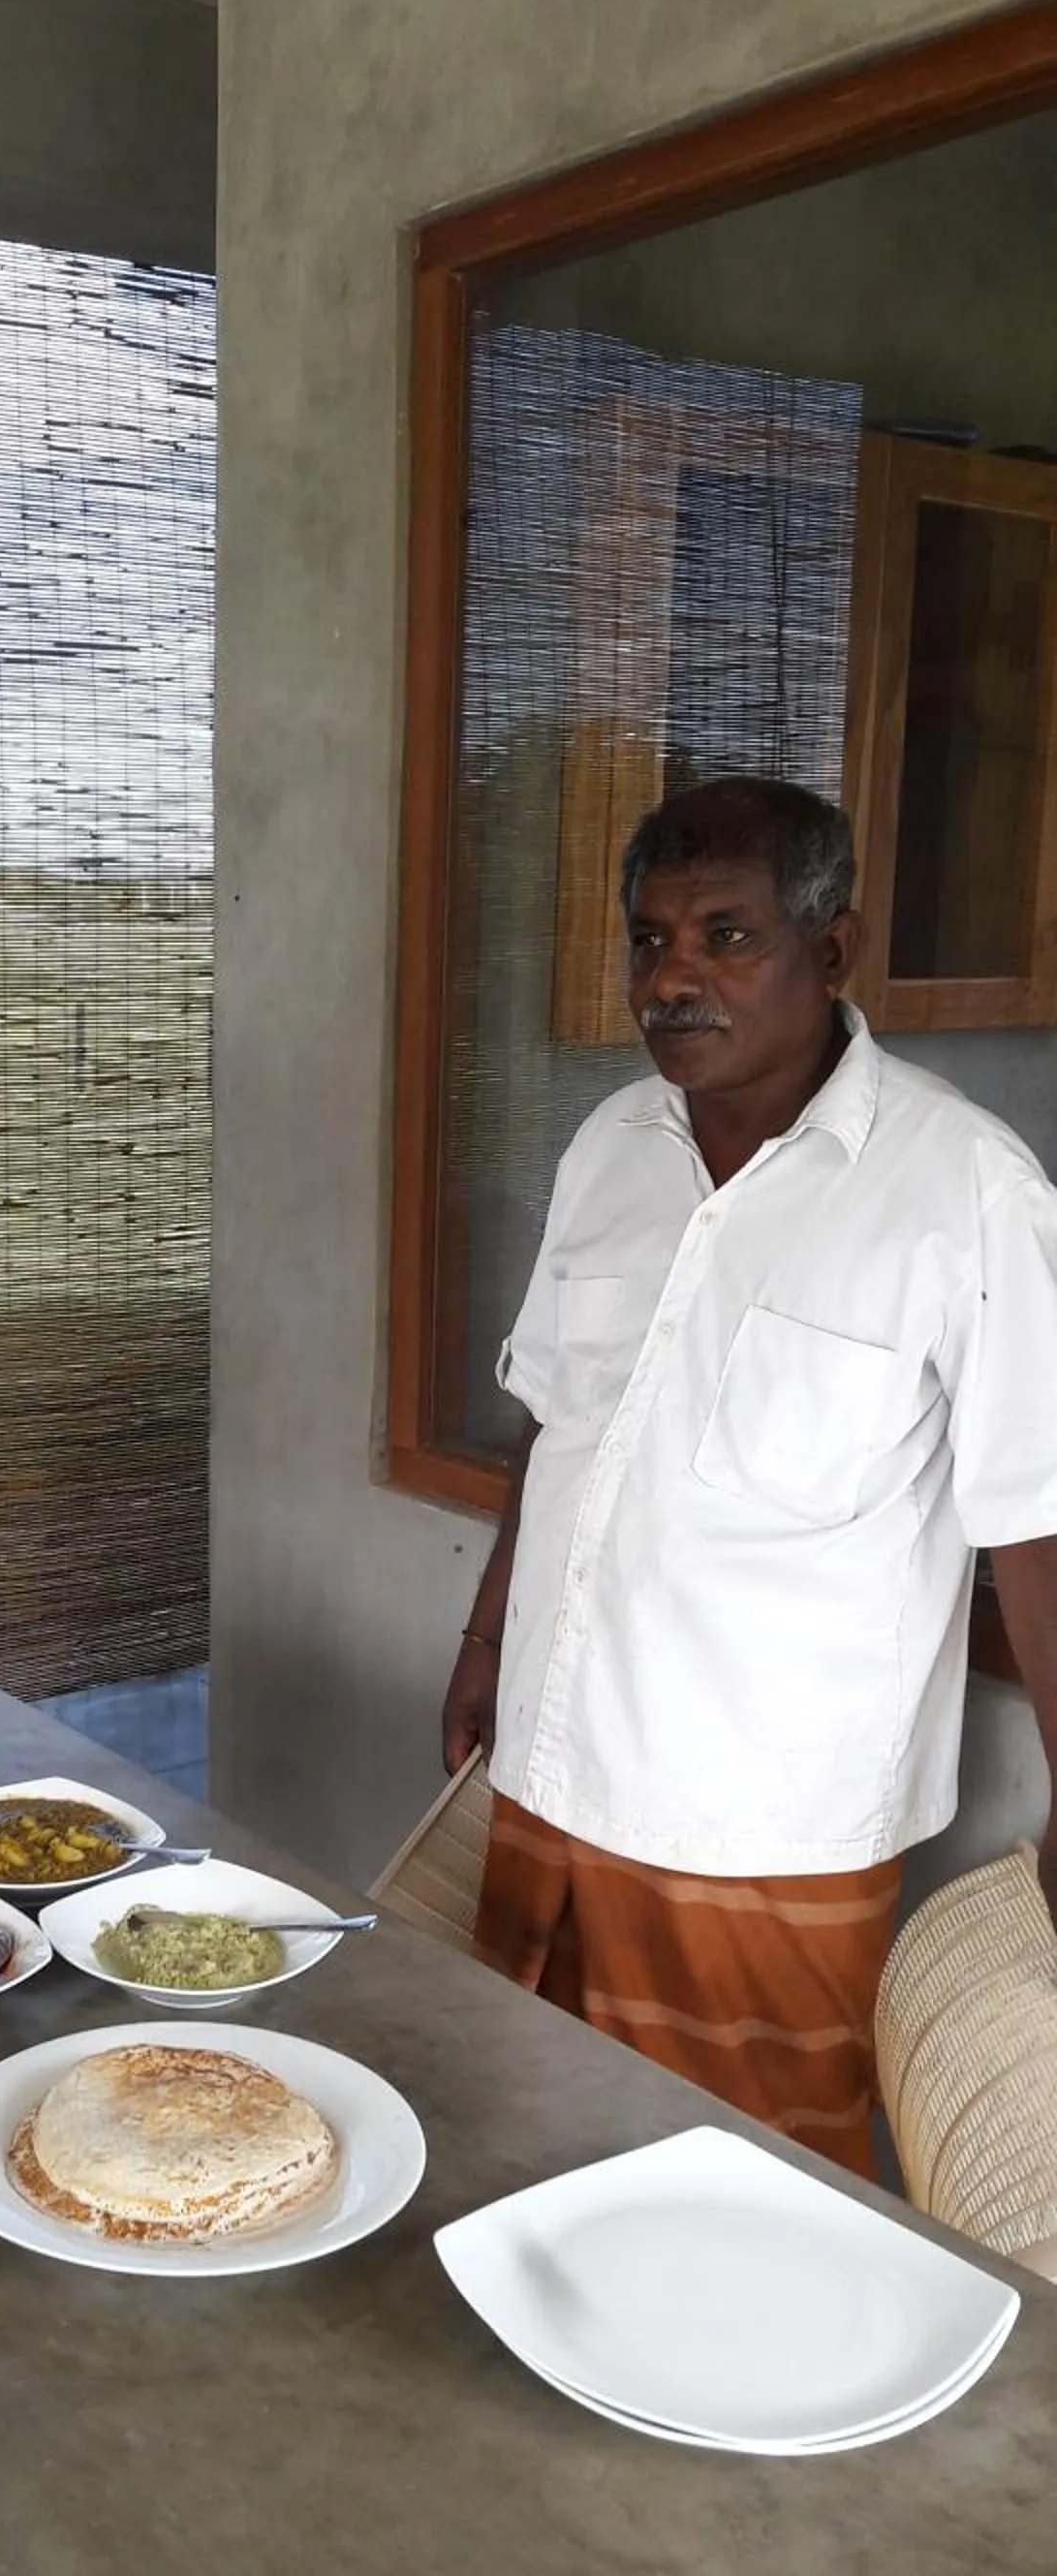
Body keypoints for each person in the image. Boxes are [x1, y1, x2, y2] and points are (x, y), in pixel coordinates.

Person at [443, 775, 1057, 2177]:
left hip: (762, 1828)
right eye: (651, 941)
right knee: (515, 2138)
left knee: (750, 2195)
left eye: (728, 939)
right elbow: (560, 1425)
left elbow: (1038, 1520)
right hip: (551, 1770)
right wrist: (485, 1645)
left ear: (829, 952)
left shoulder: (964, 1189)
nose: (675, 979)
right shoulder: (613, 1147)